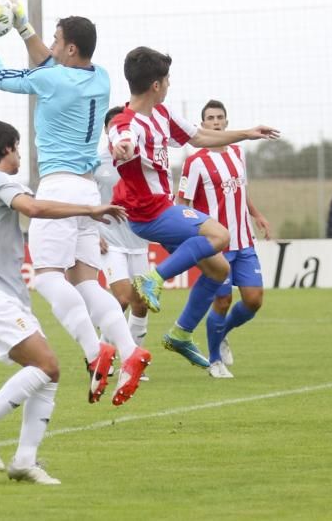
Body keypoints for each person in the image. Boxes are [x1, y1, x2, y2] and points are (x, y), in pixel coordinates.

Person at [0, 0, 151, 407]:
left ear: (69, 48)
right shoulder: (99, 77)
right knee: (86, 281)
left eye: (55, 39)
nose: (48, 45)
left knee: (48, 277)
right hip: (87, 190)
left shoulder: (53, 80)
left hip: (60, 187)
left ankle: (94, 351)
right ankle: (129, 350)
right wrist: (23, 27)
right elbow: (49, 62)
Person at [0, 118, 127, 485]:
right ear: (5, 150)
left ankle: (24, 461)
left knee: (49, 374)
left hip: (3, 298)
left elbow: (39, 219)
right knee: (47, 364)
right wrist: (88, 211)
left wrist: (82, 234)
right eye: (17, 147)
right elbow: (34, 210)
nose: (20, 154)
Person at [109, 48, 278, 369]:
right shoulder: (125, 121)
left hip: (161, 210)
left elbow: (199, 136)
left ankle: (181, 334)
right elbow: (123, 138)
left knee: (219, 270)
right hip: (149, 213)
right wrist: (123, 147)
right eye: (167, 79)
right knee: (219, 234)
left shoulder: (163, 114)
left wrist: (245, 133)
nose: (170, 84)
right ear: (156, 85)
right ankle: (153, 279)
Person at [177, 100, 272, 379]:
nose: (216, 122)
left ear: (226, 123)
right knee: (222, 300)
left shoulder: (238, 153)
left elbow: (241, 192)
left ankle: (223, 332)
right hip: (217, 245)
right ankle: (215, 360)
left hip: (244, 240)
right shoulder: (195, 162)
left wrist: (256, 214)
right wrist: (190, 236)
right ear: (203, 125)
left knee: (254, 300)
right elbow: (181, 202)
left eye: (220, 117)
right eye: (210, 118)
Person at [95, 108, 152, 361]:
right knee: (122, 298)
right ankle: (102, 355)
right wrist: (93, 234)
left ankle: (130, 360)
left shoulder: (141, 160)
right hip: (110, 242)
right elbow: (84, 201)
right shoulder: (96, 163)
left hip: (138, 242)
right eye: (113, 126)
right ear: (108, 130)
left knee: (141, 303)